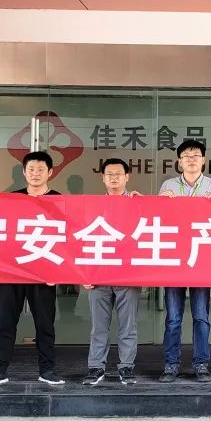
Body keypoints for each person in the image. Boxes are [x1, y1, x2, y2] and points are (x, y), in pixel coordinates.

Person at [0, 151, 64, 387]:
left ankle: (47, 370)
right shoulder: (12, 199)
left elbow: (66, 238)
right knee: (5, 323)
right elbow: (1, 234)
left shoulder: (60, 200)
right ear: (24, 172)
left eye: (41, 169)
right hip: (12, 272)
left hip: (44, 273)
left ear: (50, 172)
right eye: (31, 169)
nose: (35, 173)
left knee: (45, 325)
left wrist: (58, 272)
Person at [157, 140, 211, 383]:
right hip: (174, 258)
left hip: (201, 259)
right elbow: (157, 219)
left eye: (196, 155)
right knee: (173, 317)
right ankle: (171, 364)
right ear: (179, 162)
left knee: (201, 316)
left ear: (204, 160)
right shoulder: (168, 185)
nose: (191, 159)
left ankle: (201, 363)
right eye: (186, 156)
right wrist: (160, 203)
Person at [82, 158, 140, 386]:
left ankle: (126, 367)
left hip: (128, 275)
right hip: (98, 275)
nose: (114, 178)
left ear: (127, 177)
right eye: (109, 174)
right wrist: (84, 273)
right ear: (103, 178)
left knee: (128, 325)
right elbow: (82, 240)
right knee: (99, 326)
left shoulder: (138, 204)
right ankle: (96, 367)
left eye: (118, 174)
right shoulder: (92, 206)